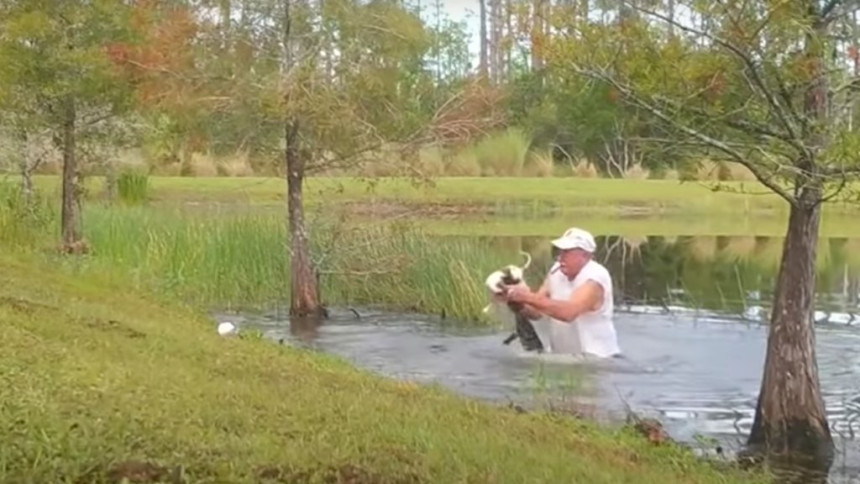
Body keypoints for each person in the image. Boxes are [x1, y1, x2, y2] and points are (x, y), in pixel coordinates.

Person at [502, 227, 621, 358]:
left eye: (567, 252)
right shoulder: (556, 271)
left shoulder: (595, 279)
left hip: (598, 360)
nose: (561, 257)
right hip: (563, 358)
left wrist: (526, 296)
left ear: (586, 256)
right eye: (561, 251)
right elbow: (536, 313)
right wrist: (516, 301)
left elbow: (569, 313)